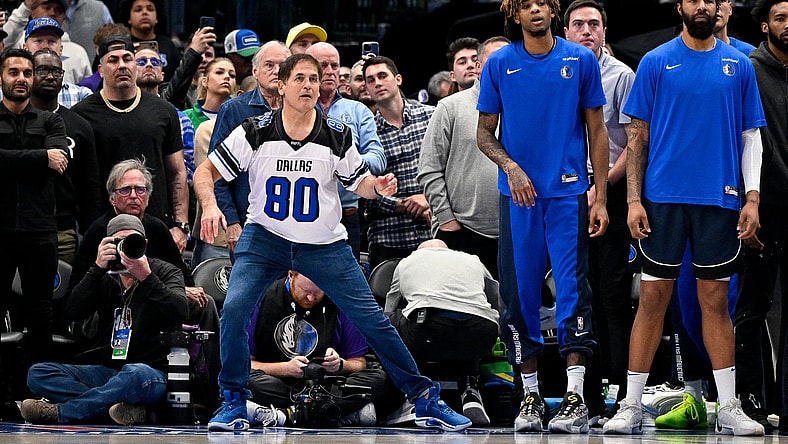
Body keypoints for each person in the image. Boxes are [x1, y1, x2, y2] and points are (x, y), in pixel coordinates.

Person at [193, 53, 471, 433]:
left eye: (314, 78)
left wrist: (379, 188)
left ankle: (424, 398)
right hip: (265, 238)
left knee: (372, 320)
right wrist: (210, 206)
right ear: (283, 85)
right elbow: (205, 172)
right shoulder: (254, 130)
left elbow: (361, 184)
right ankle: (233, 401)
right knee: (236, 308)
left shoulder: (337, 133)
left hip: (323, 243)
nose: (308, 84)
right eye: (300, 78)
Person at [602, 0, 766, 437]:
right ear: (681, 7)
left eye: (709, 0)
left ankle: (728, 405)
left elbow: (752, 136)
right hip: (662, 201)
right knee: (652, 302)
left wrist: (752, 198)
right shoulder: (656, 62)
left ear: (717, 9)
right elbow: (637, 136)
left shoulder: (739, 65)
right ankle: (631, 405)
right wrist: (634, 200)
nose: (702, 6)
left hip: (720, 199)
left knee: (715, 302)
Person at [476, 0, 610, 434]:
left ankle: (575, 398)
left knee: (574, 293)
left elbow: (598, 130)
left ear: (553, 11)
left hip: (569, 193)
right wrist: (511, 167)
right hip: (519, 197)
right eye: (526, 5)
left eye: (542, 3)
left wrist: (602, 196)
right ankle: (529, 397)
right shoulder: (499, 63)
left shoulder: (580, 59)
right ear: (515, 15)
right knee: (519, 299)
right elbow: (484, 132)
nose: (535, 11)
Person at [19, 214, 188, 425]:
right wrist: (97, 267)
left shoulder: (165, 271)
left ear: (145, 244)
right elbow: (72, 312)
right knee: (38, 373)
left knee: (134, 374)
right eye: (118, 243)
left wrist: (146, 277)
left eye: (132, 241)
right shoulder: (105, 276)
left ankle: (61, 413)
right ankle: (124, 408)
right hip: (109, 371)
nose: (125, 249)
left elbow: (181, 312)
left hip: (152, 373)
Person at [562, 0, 636, 425]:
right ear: (566, 31)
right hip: (561, 192)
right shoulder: (555, 69)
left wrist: (601, 186)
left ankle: (622, 395)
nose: (586, 30)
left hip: (608, 188)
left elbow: (632, 142)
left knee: (610, 294)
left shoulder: (621, 75)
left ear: (605, 31)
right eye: (578, 25)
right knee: (574, 295)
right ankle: (580, 396)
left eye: (594, 24)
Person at [72, 34, 190, 253]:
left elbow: (177, 172)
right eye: (113, 60)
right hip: (101, 229)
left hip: (156, 226)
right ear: (100, 69)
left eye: (127, 58)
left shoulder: (163, 111)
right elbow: (77, 180)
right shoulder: (81, 115)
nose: (122, 65)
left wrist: (180, 226)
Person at [735, 0, 788, 433]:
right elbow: (743, 140)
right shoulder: (748, 69)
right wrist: (747, 202)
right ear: (765, 25)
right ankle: (750, 401)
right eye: (781, 18)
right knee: (752, 308)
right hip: (762, 206)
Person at [245, 270, 393, 427]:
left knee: (379, 377)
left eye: (318, 292)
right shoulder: (261, 298)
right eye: (306, 291)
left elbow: (359, 363)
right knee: (245, 378)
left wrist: (340, 364)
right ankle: (334, 412)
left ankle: (287, 414)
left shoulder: (340, 300)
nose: (310, 298)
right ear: (291, 275)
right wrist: (285, 369)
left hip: (326, 385)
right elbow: (247, 364)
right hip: (280, 383)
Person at [0, 47, 68, 380]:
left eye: (28, 73)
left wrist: (12, 160)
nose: (22, 79)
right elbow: (48, 161)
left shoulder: (51, 120)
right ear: (2, 78)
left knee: (40, 313)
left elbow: (60, 165)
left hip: (40, 230)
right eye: (14, 72)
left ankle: (36, 388)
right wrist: (41, 158)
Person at [418, 36, 509, 279]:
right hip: (461, 230)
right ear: (479, 67)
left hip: (514, 232)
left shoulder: (528, 109)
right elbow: (429, 169)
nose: (503, 65)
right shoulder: (450, 106)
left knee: (511, 312)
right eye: (495, 59)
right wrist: (447, 221)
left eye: (509, 59)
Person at [385, 239, 500, 426]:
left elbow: (390, 303)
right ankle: (470, 390)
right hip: (482, 331)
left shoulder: (406, 262)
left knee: (392, 321)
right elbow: (495, 295)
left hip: (429, 329)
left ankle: (412, 395)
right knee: (468, 321)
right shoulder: (472, 259)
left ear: (418, 252)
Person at [305, 42, 386, 260]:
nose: (331, 72)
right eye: (324, 66)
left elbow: (378, 158)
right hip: (302, 215)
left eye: (335, 66)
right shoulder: (295, 108)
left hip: (346, 215)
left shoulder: (357, 110)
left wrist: (343, 162)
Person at [209, 40, 290, 255]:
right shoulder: (233, 110)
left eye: (283, 65)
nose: (276, 71)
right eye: (269, 65)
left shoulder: (307, 110)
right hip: (247, 224)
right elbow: (216, 173)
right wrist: (232, 221)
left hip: (293, 229)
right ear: (255, 71)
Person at [30, 48, 101, 264]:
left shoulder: (79, 125)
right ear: (30, 74)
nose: (50, 76)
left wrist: (91, 233)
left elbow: (90, 184)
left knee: (61, 293)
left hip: (64, 231)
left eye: (56, 72)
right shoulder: (15, 120)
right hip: (18, 228)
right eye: (42, 70)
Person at [363, 56, 434, 268]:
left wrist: (428, 198)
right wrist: (404, 205)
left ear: (398, 79)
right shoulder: (366, 133)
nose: (377, 82)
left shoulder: (432, 116)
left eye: (382, 76)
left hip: (433, 232)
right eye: (370, 80)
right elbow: (361, 188)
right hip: (388, 238)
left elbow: (453, 170)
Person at [4, 1, 93, 85]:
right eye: (47, 7)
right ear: (25, 47)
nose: (52, 13)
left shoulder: (78, 52)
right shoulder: (16, 42)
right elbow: (4, 40)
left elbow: (88, 89)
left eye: (58, 10)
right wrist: (25, 8)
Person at [22, 16, 92, 107]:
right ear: (25, 48)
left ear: (61, 49)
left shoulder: (81, 96)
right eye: (38, 41)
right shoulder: (6, 95)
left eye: (52, 41)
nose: (45, 46)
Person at [115, 0, 180, 82]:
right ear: (129, 18)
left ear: (157, 17)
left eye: (150, 9)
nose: (145, 12)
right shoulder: (121, 45)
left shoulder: (168, 45)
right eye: (138, 10)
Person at [184, 57, 237, 131]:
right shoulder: (186, 117)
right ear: (205, 81)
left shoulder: (240, 118)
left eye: (232, 75)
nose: (227, 77)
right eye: (219, 72)